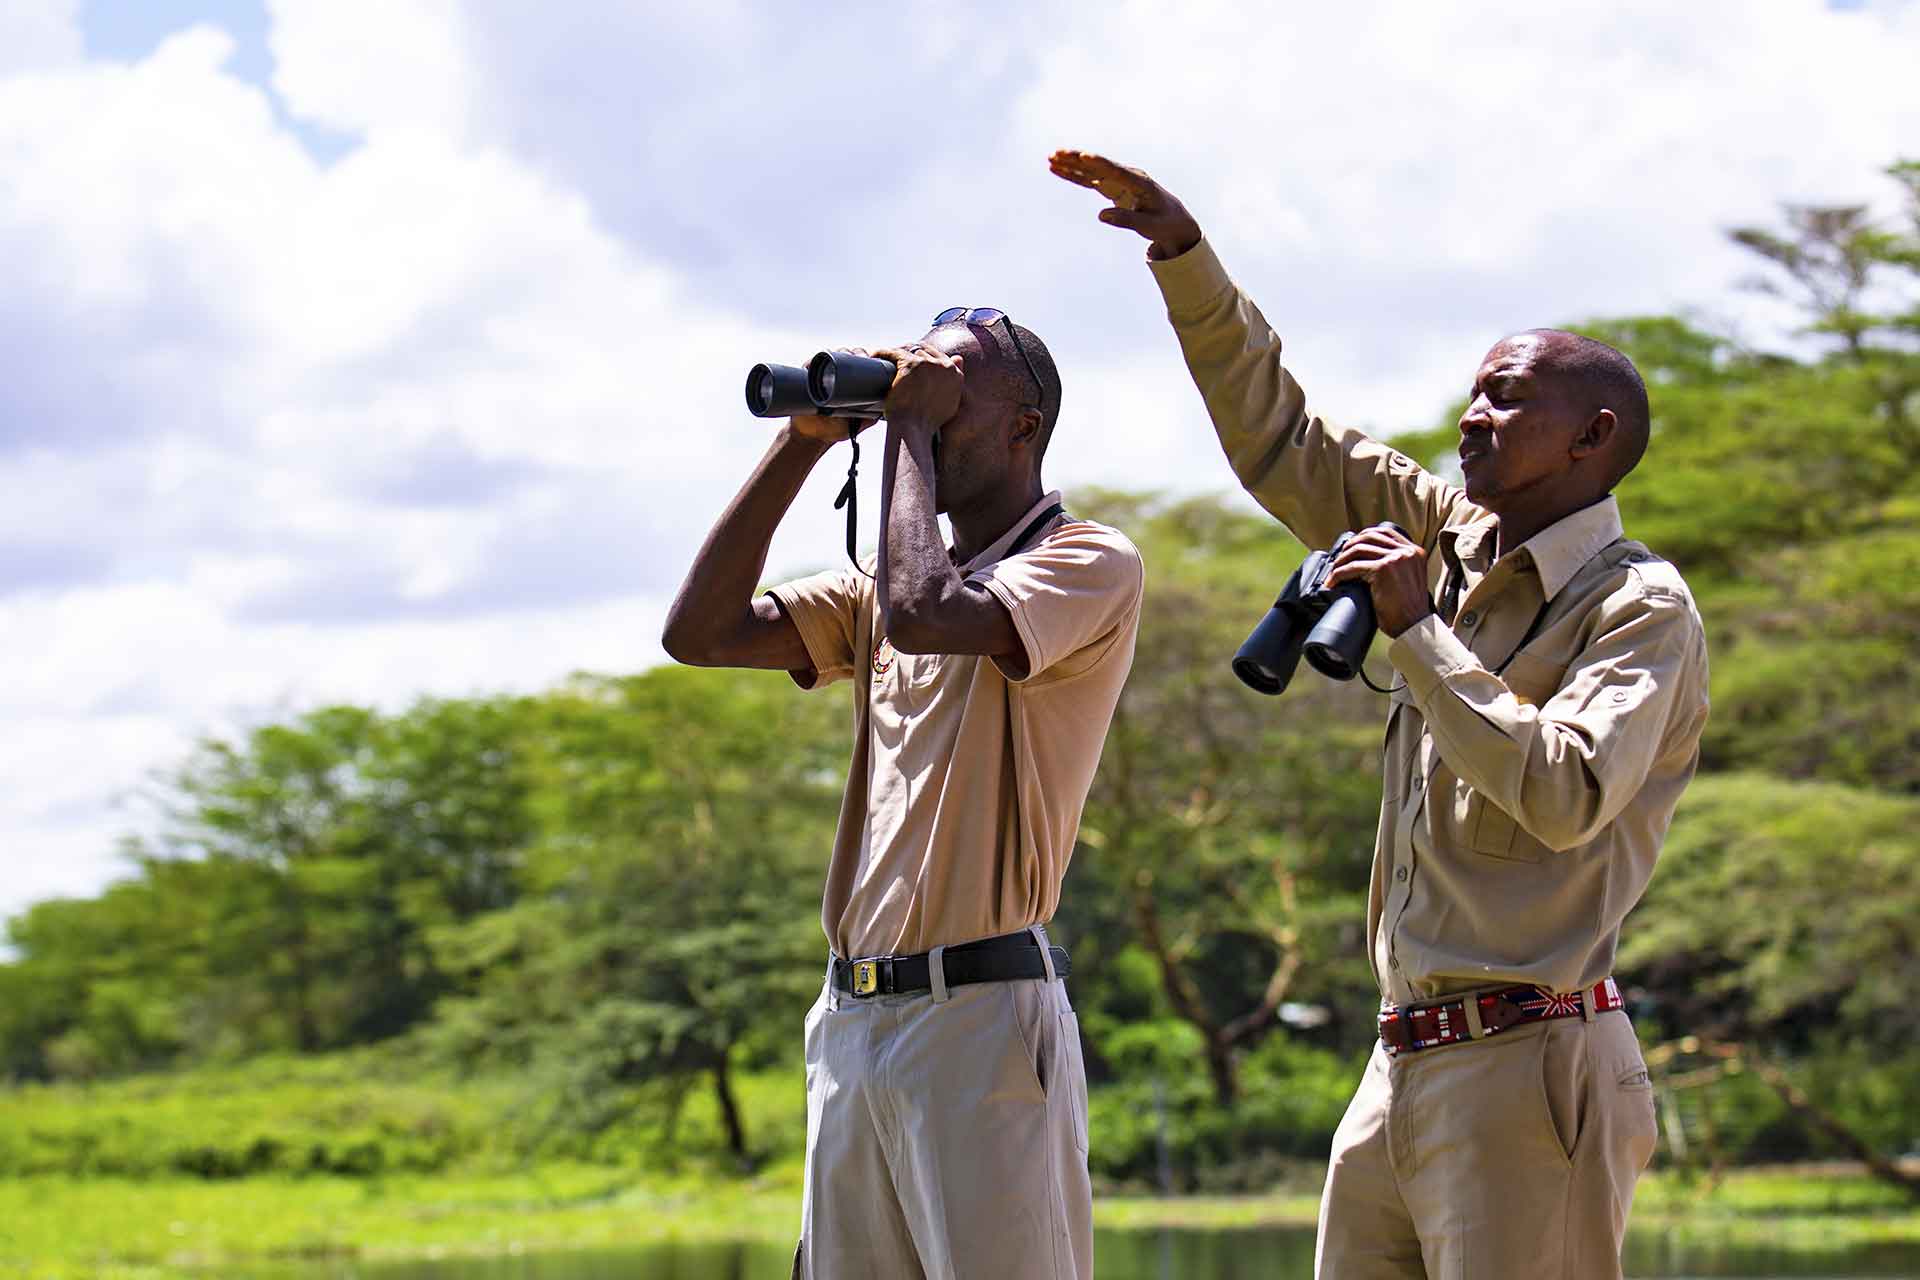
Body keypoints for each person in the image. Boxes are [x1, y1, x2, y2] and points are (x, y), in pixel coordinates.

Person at [1052, 149, 1709, 1280]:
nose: (1472, 416)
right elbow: (1283, 437)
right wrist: (1183, 259)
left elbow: (1565, 791)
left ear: (1593, 438)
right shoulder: (1444, 533)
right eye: (1474, 390)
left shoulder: (1641, 608)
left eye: (1508, 397)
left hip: (1532, 1059)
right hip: (1397, 1060)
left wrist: (1421, 631)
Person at [662, 310, 1143, 1280]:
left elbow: (928, 616)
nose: (924, 395)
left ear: (1024, 421)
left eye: (955, 381)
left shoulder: (1087, 560)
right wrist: (802, 441)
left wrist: (907, 432)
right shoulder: (883, 588)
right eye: (919, 380)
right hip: (850, 1019)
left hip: (977, 1019)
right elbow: (698, 630)